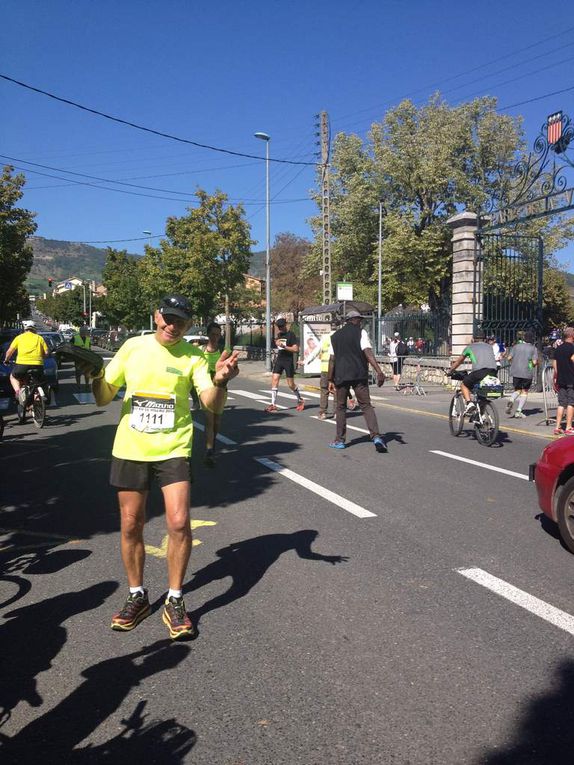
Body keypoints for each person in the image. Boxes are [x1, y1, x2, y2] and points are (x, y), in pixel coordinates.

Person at [84, 295, 239, 640]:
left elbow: (210, 403)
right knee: (130, 524)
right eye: (167, 318)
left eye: (180, 321)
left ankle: (175, 599)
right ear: (156, 315)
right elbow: (103, 397)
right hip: (131, 447)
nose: (172, 325)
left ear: (188, 324)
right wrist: (95, 375)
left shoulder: (194, 356)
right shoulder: (132, 347)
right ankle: (137, 595)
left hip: (173, 448)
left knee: (179, 522)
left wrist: (221, 381)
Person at [327, 309, 387, 452]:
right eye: (359, 320)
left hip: (341, 376)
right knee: (366, 406)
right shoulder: (361, 333)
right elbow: (368, 353)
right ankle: (376, 437)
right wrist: (379, 371)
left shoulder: (335, 336)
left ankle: (340, 441)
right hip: (359, 374)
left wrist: (330, 379)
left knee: (340, 407)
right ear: (353, 320)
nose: (360, 322)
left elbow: (332, 360)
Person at [448, 329, 497, 415]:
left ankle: (469, 403)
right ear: (485, 339)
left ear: (473, 339)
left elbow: (459, 361)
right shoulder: (489, 347)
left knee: (464, 385)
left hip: (479, 372)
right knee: (480, 393)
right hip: (493, 371)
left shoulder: (469, 347)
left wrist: (450, 370)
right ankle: (481, 416)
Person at [265, 317, 304, 413]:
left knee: (290, 384)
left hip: (288, 361)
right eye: (279, 327)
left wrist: (284, 346)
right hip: (280, 359)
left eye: (282, 326)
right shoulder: (279, 335)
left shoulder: (291, 335)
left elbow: (295, 349)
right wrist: (276, 342)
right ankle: (273, 404)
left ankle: (300, 399)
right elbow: (277, 344)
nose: (280, 328)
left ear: (285, 325)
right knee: (274, 379)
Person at [4, 321, 48, 404]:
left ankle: (18, 392)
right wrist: (41, 357)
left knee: (13, 377)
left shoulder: (19, 338)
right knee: (37, 382)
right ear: (34, 329)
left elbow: (9, 351)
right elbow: (46, 352)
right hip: (38, 365)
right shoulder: (39, 338)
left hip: (22, 365)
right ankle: (37, 397)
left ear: (25, 329)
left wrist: (6, 360)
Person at [202, 321, 225, 467]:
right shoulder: (200, 351)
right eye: (213, 334)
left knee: (216, 422)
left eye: (218, 335)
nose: (215, 337)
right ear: (208, 334)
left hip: (221, 389)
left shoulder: (223, 351)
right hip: (205, 389)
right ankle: (209, 451)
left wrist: (226, 375)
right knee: (210, 421)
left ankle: (212, 444)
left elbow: (235, 369)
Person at [505, 331, 539, 419]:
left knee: (517, 390)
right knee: (524, 391)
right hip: (527, 372)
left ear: (523, 338)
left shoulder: (516, 346)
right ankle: (518, 411)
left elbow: (509, 358)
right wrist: (534, 364)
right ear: (532, 339)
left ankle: (512, 399)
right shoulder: (533, 348)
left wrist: (514, 362)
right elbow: (534, 362)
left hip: (516, 371)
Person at [552, 327, 574, 436]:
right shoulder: (572, 348)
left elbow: (554, 364)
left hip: (561, 379)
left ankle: (557, 427)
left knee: (561, 403)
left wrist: (558, 374)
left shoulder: (558, 349)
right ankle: (569, 426)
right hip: (571, 379)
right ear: (572, 336)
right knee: (571, 402)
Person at [318, 325, 336, 420]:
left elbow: (316, 351)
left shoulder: (325, 337)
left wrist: (305, 361)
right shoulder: (340, 337)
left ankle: (323, 412)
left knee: (324, 390)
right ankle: (337, 412)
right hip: (337, 368)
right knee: (337, 390)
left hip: (325, 368)